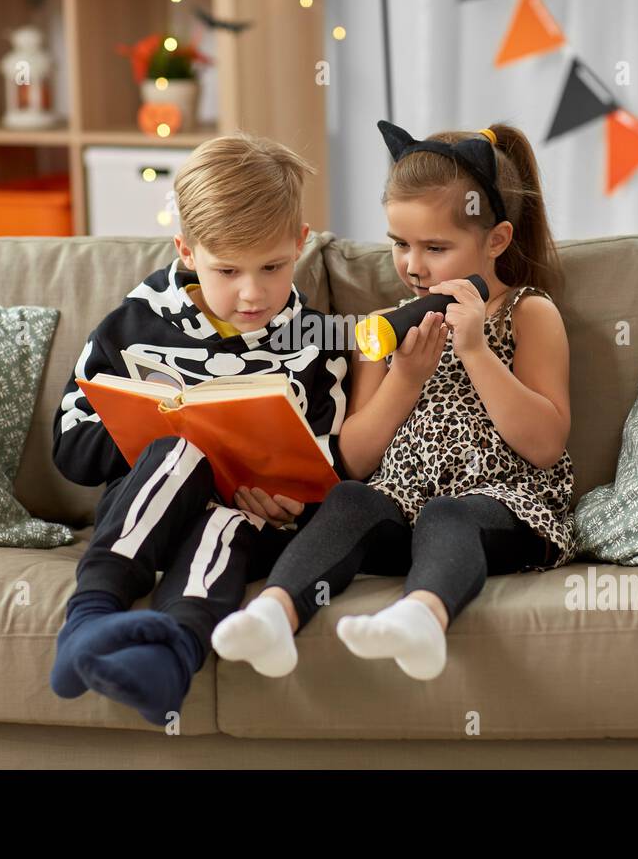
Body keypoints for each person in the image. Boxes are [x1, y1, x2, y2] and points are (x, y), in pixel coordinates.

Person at [212, 119, 575, 681]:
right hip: (400, 507)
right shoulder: (383, 327)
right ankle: (274, 616)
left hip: (504, 509)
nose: (412, 265)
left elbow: (547, 445)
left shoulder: (528, 313)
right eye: (399, 244)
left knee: (448, 514)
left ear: (495, 241)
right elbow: (354, 458)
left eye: (436, 247)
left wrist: (476, 352)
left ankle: (422, 618)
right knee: (352, 499)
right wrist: (404, 377)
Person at [49, 132, 348, 725]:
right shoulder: (131, 325)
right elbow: (70, 447)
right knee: (180, 449)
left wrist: (293, 500)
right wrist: (143, 423)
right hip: (146, 504)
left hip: (253, 521)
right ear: (186, 250)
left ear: (300, 244)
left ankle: (174, 654)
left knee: (228, 518)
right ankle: (89, 618)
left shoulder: (320, 341)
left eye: (273, 267)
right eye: (227, 269)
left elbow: (330, 461)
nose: (252, 292)